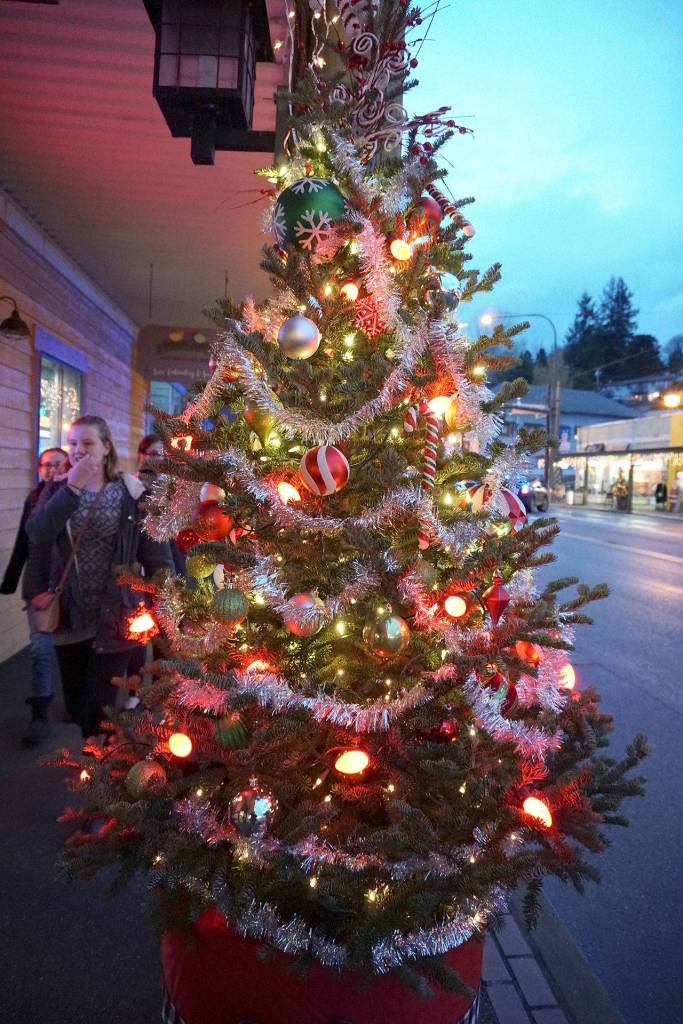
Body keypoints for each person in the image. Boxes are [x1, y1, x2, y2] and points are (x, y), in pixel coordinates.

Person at [26, 416, 174, 740]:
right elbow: (37, 535)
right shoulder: (56, 489)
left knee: (99, 710)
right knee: (78, 708)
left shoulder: (131, 493)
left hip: (116, 615)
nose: (78, 450)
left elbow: (156, 554)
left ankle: (105, 777)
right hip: (69, 615)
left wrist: (170, 601)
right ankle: (104, 764)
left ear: (106, 447)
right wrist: (73, 487)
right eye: (73, 443)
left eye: (88, 443)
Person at [1, 447, 68, 745]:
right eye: (46, 465)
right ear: (39, 469)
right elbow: (22, 542)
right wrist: (10, 581)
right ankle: (39, 712)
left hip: (71, 587)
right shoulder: (33, 499)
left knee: (71, 650)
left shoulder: (75, 497)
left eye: (58, 464)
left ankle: (77, 703)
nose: (51, 469)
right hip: (38, 585)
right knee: (41, 650)